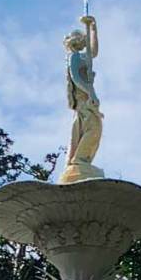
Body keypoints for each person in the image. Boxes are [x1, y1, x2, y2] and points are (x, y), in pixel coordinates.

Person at [59, 14, 103, 183]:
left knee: (89, 129)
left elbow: (94, 52)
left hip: (86, 101)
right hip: (84, 100)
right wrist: (91, 92)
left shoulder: (81, 57)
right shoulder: (74, 58)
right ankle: (79, 160)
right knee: (94, 128)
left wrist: (93, 28)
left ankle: (80, 160)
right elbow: (76, 78)